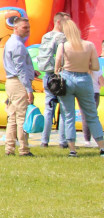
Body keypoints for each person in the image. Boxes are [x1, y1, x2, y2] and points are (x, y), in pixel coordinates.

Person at [54, 18, 104, 157]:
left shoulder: (63, 46)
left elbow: (57, 66)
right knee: (91, 115)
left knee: (68, 115)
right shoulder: (89, 45)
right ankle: (102, 147)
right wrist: (84, 65)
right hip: (84, 79)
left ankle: (72, 149)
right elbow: (95, 67)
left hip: (67, 79)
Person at [3, 16, 36, 156]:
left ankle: (9, 148)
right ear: (15, 28)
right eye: (24, 28)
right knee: (22, 116)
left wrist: (32, 71)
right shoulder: (18, 45)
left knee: (12, 116)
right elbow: (20, 69)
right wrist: (29, 89)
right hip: (18, 83)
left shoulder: (11, 43)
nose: (27, 31)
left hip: (11, 81)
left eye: (28, 28)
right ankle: (24, 148)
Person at [36, 12, 68, 147]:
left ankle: (44, 140)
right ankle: (62, 141)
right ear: (59, 22)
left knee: (49, 108)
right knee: (64, 108)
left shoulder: (46, 36)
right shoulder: (62, 37)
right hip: (59, 75)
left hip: (47, 76)